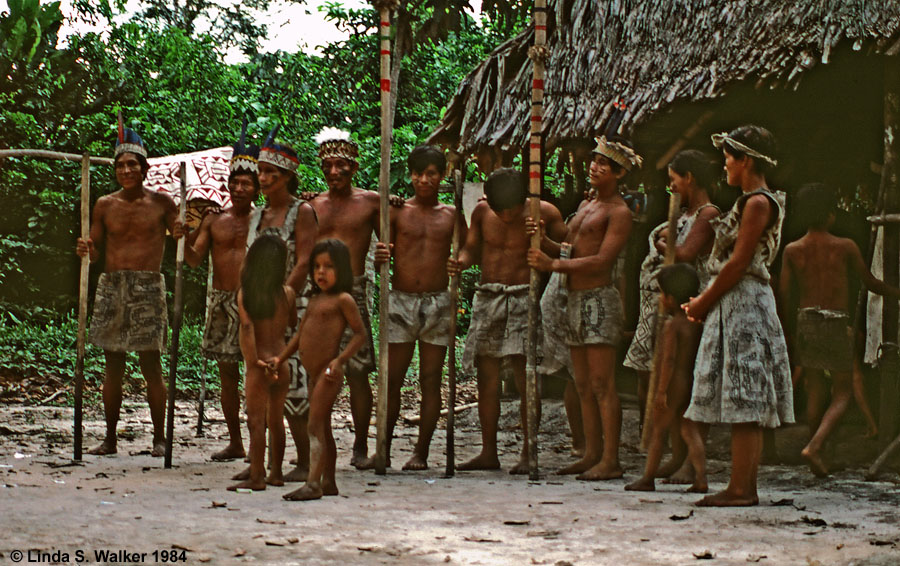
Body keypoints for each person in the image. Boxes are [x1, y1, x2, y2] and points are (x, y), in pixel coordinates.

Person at [683, 125, 794, 507]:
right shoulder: (749, 201)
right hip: (737, 301)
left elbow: (738, 263)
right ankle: (742, 485)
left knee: (745, 396)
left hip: (745, 301)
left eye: (729, 158)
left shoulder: (758, 203)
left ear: (745, 160)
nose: (724, 165)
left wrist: (702, 301)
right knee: (741, 395)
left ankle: (741, 488)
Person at [528, 135, 640, 480]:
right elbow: (571, 249)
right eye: (594, 160)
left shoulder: (618, 212)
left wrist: (552, 266)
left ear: (619, 174)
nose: (594, 167)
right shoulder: (588, 205)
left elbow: (603, 261)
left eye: (603, 164)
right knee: (583, 384)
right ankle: (592, 453)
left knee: (602, 383)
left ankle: (611, 459)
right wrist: (544, 240)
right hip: (574, 299)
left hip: (598, 300)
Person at [448, 168, 566, 474]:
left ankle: (529, 451)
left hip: (524, 295)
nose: (505, 217)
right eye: (500, 211)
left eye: (511, 211)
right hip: (489, 296)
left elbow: (568, 253)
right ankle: (489, 451)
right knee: (486, 376)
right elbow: (471, 249)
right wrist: (459, 262)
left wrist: (542, 237)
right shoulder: (483, 212)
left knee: (525, 375)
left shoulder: (546, 212)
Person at [780, 183, 900, 477]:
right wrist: (895, 292)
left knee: (815, 389)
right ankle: (816, 446)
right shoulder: (845, 246)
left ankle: (819, 451)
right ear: (831, 216)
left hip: (805, 320)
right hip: (835, 321)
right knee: (844, 392)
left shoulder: (792, 250)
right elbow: (870, 282)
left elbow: (783, 294)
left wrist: (790, 330)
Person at [76, 117, 178, 457]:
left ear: (144, 168)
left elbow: (180, 229)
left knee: (151, 365)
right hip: (112, 285)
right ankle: (109, 438)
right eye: (120, 165)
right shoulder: (105, 204)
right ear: (115, 170)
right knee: (113, 365)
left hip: (148, 286)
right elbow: (96, 248)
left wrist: (182, 229)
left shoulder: (162, 203)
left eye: (132, 164)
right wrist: (86, 249)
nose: (126, 170)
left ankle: (160, 439)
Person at [623, 149, 720, 482]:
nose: (671, 186)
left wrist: (665, 245)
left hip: (688, 299)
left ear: (689, 177)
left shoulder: (708, 214)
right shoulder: (683, 212)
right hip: (667, 301)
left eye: (674, 180)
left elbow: (687, 253)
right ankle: (682, 463)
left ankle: (683, 465)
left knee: (684, 389)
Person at [373, 145, 466, 470]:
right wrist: (380, 255)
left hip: (438, 301)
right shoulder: (397, 211)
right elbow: (378, 245)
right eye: (417, 173)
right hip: (399, 301)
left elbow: (468, 248)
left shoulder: (452, 215)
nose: (423, 180)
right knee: (392, 379)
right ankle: (382, 449)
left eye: (431, 174)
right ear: (410, 175)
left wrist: (462, 261)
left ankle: (421, 454)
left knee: (430, 379)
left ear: (442, 177)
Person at [236, 125, 318, 483]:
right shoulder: (257, 215)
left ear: (288, 177)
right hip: (259, 299)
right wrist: (253, 294)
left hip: (291, 304)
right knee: (263, 403)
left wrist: (281, 296)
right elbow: (247, 259)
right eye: (263, 172)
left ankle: (301, 459)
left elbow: (305, 260)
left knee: (295, 392)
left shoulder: (303, 212)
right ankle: (262, 464)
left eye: (271, 173)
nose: (264, 178)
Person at [181, 121, 259, 461]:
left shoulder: (266, 219)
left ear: (256, 187)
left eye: (247, 183)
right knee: (227, 376)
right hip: (221, 302)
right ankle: (235, 441)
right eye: (235, 182)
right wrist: (183, 235)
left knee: (259, 373)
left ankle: (259, 442)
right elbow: (195, 260)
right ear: (227, 185)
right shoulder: (214, 220)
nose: (240, 188)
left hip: (256, 303)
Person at [304, 127, 381, 469]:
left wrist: (384, 254)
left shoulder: (372, 202)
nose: (335, 171)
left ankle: (361, 445)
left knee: (357, 371)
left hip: (355, 290)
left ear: (354, 166)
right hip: (317, 294)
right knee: (314, 369)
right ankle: (317, 442)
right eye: (329, 165)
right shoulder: (312, 205)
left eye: (342, 165)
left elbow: (392, 239)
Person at [268, 240, 366, 501]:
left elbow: (360, 334)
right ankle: (329, 481)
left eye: (329, 267)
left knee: (313, 426)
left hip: (328, 372)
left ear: (342, 269)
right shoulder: (313, 300)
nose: (321, 272)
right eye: (317, 267)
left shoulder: (343, 300)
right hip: (312, 373)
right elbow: (299, 335)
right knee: (323, 428)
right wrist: (280, 358)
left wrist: (340, 360)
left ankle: (313, 483)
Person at [625, 264, 704, 492]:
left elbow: (668, 360)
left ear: (669, 298)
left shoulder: (672, 326)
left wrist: (660, 391)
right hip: (690, 381)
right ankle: (701, 478)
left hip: (672, 384)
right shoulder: (695, 323)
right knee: (690, 430)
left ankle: (647, 478)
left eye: (662, 294)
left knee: (658, 431)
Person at [227, 235, 295, 491]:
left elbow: (246, 327)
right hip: (281, 361)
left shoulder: (245, 294)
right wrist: (277, 359)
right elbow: (291, 324)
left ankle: (257, 475)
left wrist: (253, 359)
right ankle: (276, 472)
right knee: (276, 421)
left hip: (258, 364)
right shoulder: (287, 293)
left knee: (256, 422)